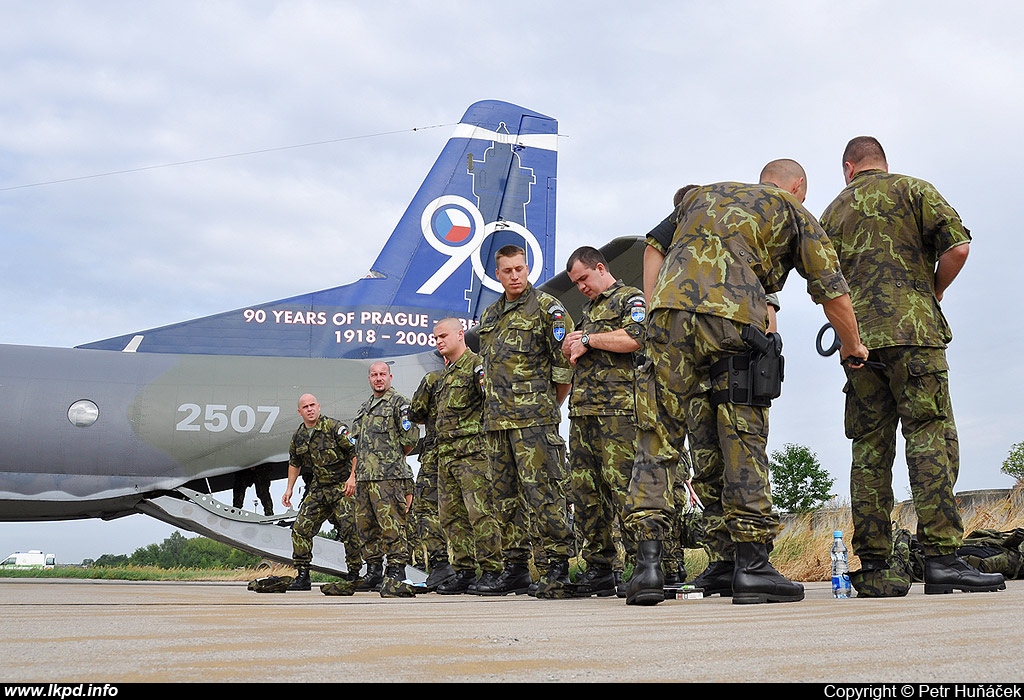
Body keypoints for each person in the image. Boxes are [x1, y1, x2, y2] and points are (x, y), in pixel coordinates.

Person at [624, 169, 869, 606]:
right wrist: (853, 346)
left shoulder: (699, 195)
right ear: (797, 188)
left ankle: (647, 567)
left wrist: (660, 307)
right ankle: (752, 567)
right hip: (734, 318)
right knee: (742, 436)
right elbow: (832, 291)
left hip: (666, 314)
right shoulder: (792, 209)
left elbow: (653, 246)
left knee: (656, 435)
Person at [819, 136, 1005, 596]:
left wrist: (851, 340)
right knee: (928, 438)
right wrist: (933, 292)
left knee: (869, 451)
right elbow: (957, 248)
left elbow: (823, 287)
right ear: (882, 161)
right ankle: (942, 561)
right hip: (916, 335)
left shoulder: (831, 213)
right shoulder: (915, 190)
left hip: (860, 343)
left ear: (848, 167)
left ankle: (876, 567)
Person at [686, 159, 807, 596]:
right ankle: (737, 563)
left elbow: (767, 307)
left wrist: (767, 350)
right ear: (796, 187)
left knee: (723, 459)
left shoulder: (732, 229)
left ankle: (738, 561)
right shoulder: (761, 222)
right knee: (728, 460)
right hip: (722, 356)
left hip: (716, 356)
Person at [475, 244, 577, 598]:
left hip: (535, 423)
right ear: (498, 274)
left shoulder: (548, 309)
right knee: (503, 499)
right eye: (507, 271)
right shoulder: (490, 317)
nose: (515, 276)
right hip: (497, 424)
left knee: (545, 495)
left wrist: (548, 407)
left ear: (527, 267)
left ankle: (558, 568)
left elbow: (563, 367)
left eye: (519, 268)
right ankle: (516, 569)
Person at [560, 246, 645, 598]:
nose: (581, 287)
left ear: (599, 267)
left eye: (583, 278)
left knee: (623, 488)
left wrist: (589, 339)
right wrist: (572, 345)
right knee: (587, 493)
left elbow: (637, 337)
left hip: (618, 413)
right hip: (583, 413)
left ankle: (642, 564)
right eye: (575, 283)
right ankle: (599, 566)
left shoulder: (630, 298)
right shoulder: (588, 311)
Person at [424, 317, 505, 595]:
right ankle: (465, 570)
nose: (439, 342)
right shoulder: (445, 375)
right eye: (436, 338)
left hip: (472, 454)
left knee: (479, 513)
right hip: (446, 455)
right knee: (451, 516)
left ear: (461, 335)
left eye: (443, 336)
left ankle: (493, 569)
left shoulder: (476, 366)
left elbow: (492, 404)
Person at [349, 361, 420, 598]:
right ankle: (373, 571)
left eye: (382, 374)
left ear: (390, 376)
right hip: (365, 478)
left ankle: (397, 570)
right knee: (365, 526)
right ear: (369, 379)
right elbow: (358, 445)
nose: (378, 378)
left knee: (392, 525)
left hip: (389, 477)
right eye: (374, 375)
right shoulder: (364, 408)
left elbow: (409, 438)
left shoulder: (400, 404)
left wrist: (390, 460)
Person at [280, 394, 357, 591]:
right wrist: (289, 489)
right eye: (305, 407)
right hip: (319, 488)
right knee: (300, 527)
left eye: (312, 405)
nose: (310, 409)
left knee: (350, 528)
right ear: (300, 412)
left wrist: (352, 478)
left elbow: (356, 452)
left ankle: (355, 573)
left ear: (319, 406)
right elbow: (294, 462)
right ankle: (303, 574)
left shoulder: (334, 427)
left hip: (342, 486)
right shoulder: (298, 436)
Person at [408, 368, 457, 591]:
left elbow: (416, 413)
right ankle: (460, 569)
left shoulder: (433, 379)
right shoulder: (478, 367)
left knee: (429, 508)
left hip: (449, 452)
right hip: (463, 451)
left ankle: (447, 565)